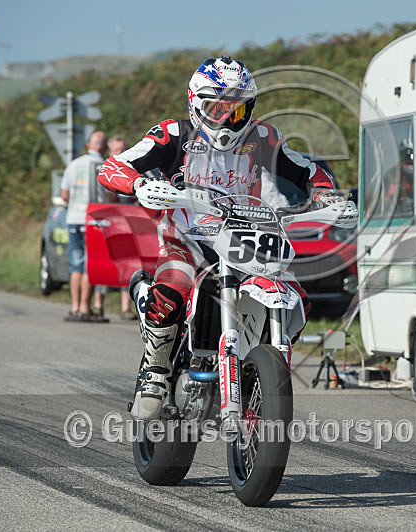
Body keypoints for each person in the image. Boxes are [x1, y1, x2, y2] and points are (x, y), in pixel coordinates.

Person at [97, 57, 338, 420]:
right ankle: (156, 370)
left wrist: (325, 194)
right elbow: (114, 165)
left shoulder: (263, 137)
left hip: (247, 239)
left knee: (297, 299)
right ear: (196, 103)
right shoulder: (172, 134)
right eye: (216, 108)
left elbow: (308, 169)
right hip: (187, 239)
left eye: (236, 109)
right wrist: (139, 183)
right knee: (174, 287)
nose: (226, 118)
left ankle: (259, 369)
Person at [60, 130, 108, 322]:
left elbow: (64, 195)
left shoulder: (73, 165)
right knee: (89, 265)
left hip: (73, 218)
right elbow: (112, 195)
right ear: (103, 147)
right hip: (94, 220)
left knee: (75, 264)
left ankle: (74, 307)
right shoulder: (104, 166)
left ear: (89, 144)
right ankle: (85, 307)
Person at [92, 135, 138, 320]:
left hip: (129, 224)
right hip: (109, 223)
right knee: (105, 263)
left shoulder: (135, 170)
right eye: (119, 150)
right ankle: (98, 306)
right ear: (111, 152)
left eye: (125, 149)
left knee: (127, 264)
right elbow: (102, 197)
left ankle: (126, 308)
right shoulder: (105, 170)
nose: (123, 153)